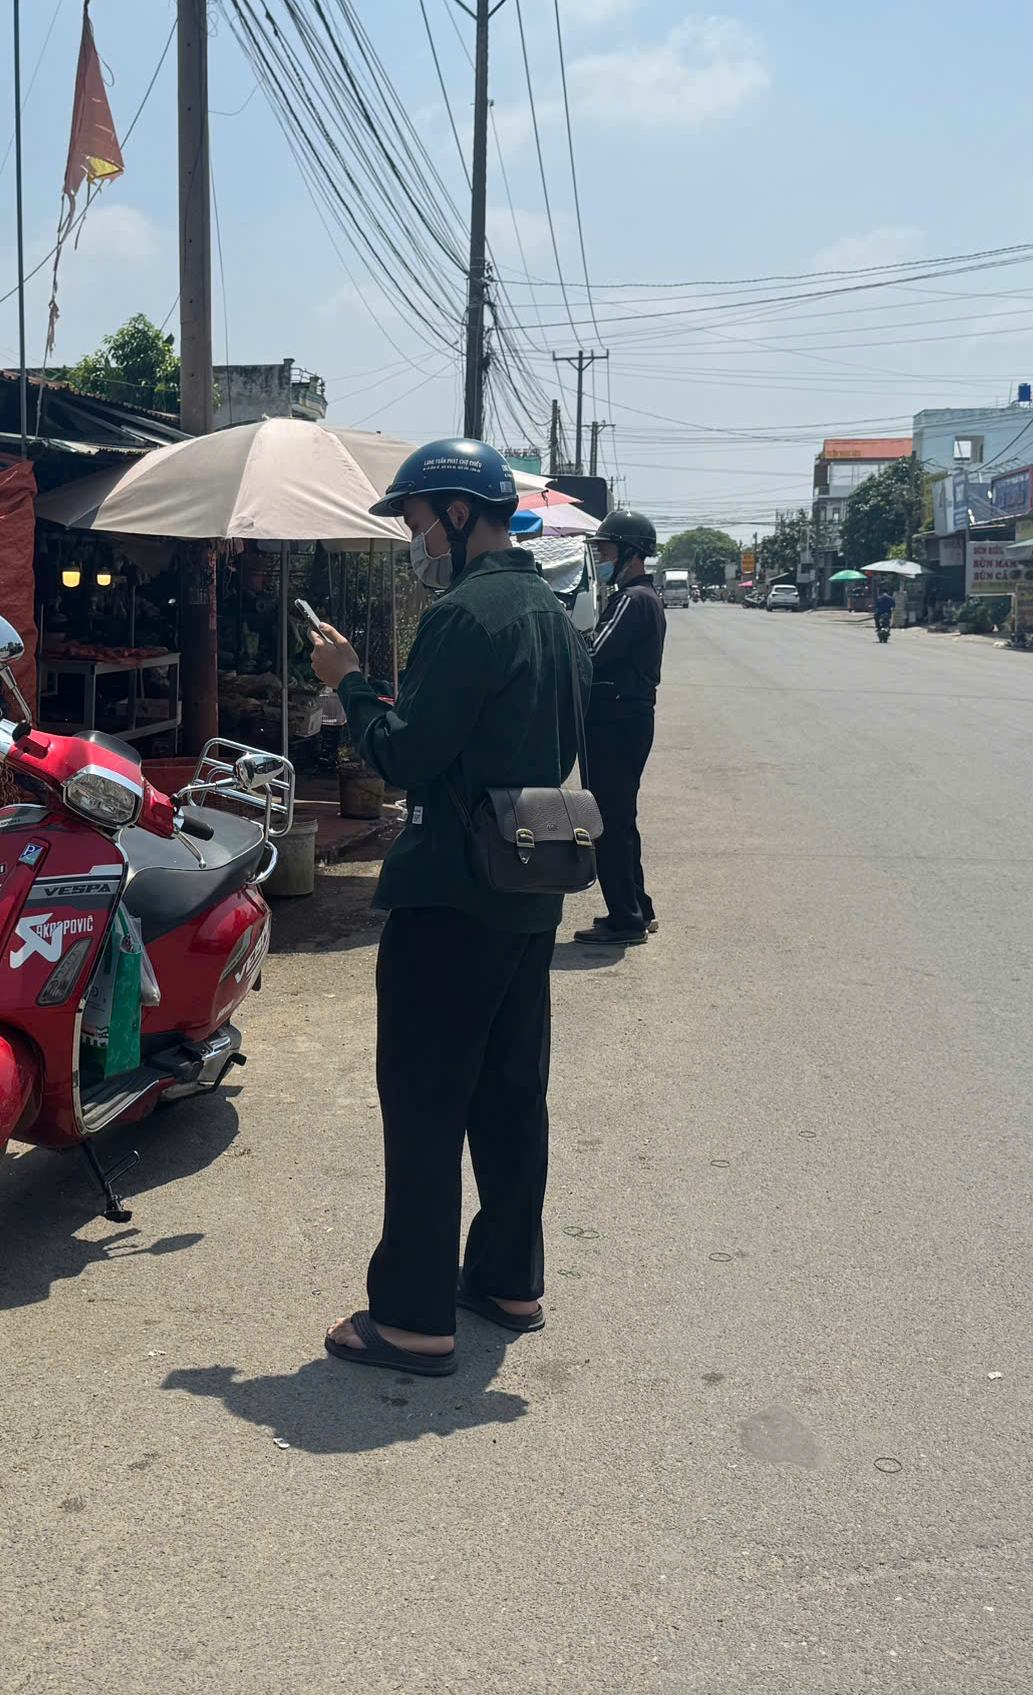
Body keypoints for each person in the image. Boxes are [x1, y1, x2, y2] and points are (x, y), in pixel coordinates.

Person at [302, 438, 588, 1378]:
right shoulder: (551, 614)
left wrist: (348, 683)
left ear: (460, 516)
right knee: (511, 1096)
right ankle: (508, 1281)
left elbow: (404, 756)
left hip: (451, 895)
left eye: (420, 520)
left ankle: (415, 1317)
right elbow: (524, 737)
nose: (416, 541)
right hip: (527, 887)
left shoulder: (463, 615)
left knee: (425, 1104)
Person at [577, 510, 666, 947]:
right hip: (626, 721)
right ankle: (638, 908)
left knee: (609, 822)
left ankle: (625, 919)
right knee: (620, 819)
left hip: (616, 723)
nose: (602, 559)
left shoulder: (632, 599)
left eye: (607, 550)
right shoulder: (641, 597)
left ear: (630, 553)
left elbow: (593, 653)